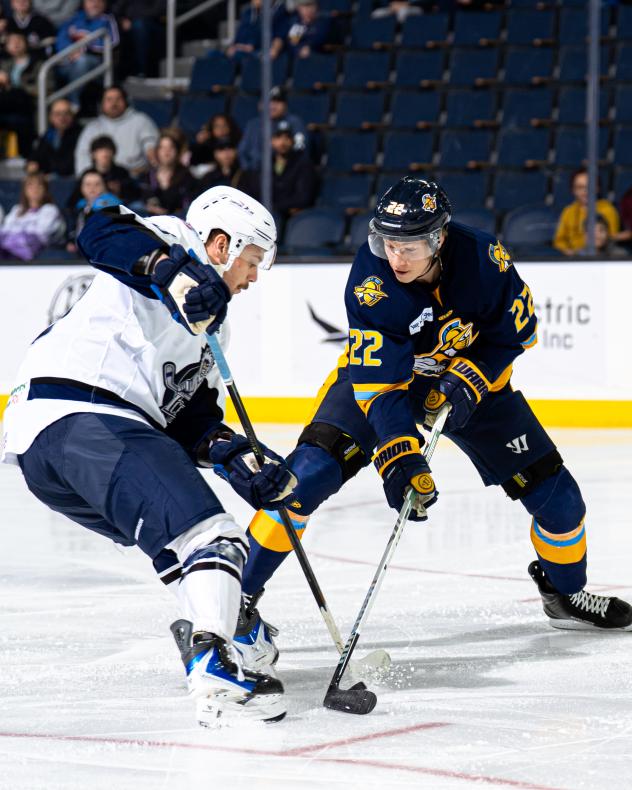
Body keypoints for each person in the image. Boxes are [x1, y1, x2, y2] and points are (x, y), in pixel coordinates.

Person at [227, 175, 632, 669]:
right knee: (304, 477)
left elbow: (516, 334)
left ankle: (566, 594)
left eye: (410, 245)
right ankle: (232, 602)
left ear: (438, 238)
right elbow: (382, 388)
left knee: (561, 501)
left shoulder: (485, 260)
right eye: (389, 242)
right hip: (386, 385)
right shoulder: (372, 279)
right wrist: (400, 457)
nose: (396, 257)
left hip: (470, 383)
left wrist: (475, 377)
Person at [1, 185, 293, 725]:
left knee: (182, 549)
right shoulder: (171, 237)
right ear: (222, 244)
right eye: (251, 262)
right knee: (211, 536)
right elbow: (98, 224)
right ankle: (212, 667)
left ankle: (231, 617)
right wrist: (173, 273)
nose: (252, 278)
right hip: (84, 413)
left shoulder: (213, 329)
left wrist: (236, 457)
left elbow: (190, 419)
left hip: (54, 447)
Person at [74, 85, 158, 176]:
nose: (114, 103)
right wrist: (86, 178)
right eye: (109, 100)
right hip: (101, 179)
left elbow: (151, 145)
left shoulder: (141, 120)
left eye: (118, 99)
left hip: (136, 177)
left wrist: (150, 151)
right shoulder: (92, 128)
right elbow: (83, 156)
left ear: (126, 101)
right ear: (102, 104)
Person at [240, 121, 317, 219]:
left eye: (287, 138)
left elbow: (303, 198)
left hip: (287, 216)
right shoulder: (264, 164)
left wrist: (274, 206)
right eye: (278, 137)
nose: (282, 142)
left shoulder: (304, 164)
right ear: (271, 141)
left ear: (293, 141)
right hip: (266, 214)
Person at [55, 0, 119, 108]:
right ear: (84, 3)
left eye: (98, 1)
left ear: (105, 4)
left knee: (82, 61)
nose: (94, 4)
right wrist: (71, 50)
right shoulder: (74, 18)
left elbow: (113, 42)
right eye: (90, 1)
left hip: (97, 63)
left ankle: (73, 104)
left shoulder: (108, 20)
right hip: (69, 60)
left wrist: (85, 47)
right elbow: (61, 39)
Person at [238, 86, 307, 171]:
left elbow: (300, 150)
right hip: (254, 172)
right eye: (268, 102)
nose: (272, 106)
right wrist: (247, 170)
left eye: (277, 102)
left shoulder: (294, 122)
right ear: (260, 105)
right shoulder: (253, 124)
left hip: (284, 174)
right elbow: (242, 151)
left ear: (285, 105)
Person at [553, 169, 620, 256]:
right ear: (573, 190)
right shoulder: (568, 211)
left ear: (597, 188)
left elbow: (611, 239)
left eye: (589, 187)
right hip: (572, 259)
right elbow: (559, 240)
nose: (585, 191)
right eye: (580, 187)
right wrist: (568, 251)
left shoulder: (607, 209)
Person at [0, 172, 65, 259]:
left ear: (45, 189)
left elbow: (39, 234)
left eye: (39, 185)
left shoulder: (50, 210)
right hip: (6, 250)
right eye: (30, 185)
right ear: (24, 190)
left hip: (29, 252)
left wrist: (13, 237)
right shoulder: (17, 209)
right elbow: (4, 229)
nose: (35, 189)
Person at [0, 31, 45, 157]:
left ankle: (27, 156)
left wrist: (12, 86)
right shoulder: (4, 64)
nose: (16, 44)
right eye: (11, 41)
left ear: (26, 43)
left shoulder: (39, 64)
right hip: (6, 107)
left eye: (19, 40)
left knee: (18, 96)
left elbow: (46, 88)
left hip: (28, 105)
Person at [140, 129, 197, 216]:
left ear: (177, 151)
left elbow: (188, 207)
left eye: (171, 147)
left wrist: (167, 213)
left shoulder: (187, 177)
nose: (166, 151)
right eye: (162, 147)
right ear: (157, 151)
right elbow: (145, 200)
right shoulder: (148, 176)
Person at [65, 167, 120, 252]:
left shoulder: (113, 204)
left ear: (104, 186)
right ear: (81, 187)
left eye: (97, 184)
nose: (92, 188)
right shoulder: (78, 205)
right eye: (88, 184)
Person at [27, 98, 81, 177]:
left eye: (66, 113)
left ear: (72, 116)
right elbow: (35, 156)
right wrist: (31, 164)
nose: (62, 118)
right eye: (57, 114)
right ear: (51, 117)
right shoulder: (48, 135)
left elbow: (68, 165)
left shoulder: (80, 135)